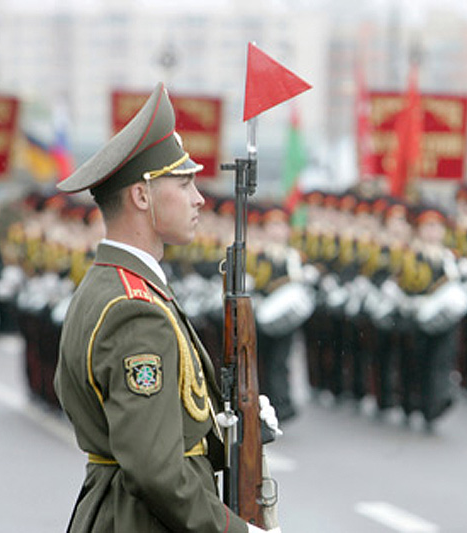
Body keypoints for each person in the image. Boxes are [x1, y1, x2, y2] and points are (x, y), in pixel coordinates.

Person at [53, 83, 279, 533]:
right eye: (184, 182)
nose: (198, 198)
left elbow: (158, 429)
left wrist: (232, 427)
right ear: (142, 196)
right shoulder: (133, 311)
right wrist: (236, 531)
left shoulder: (114, 286)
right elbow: (155, 468)